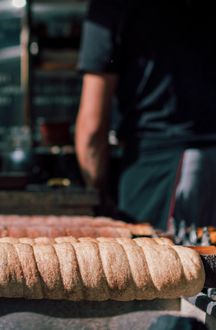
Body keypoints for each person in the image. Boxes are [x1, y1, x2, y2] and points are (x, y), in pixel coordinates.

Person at [75, 0, 216, 230]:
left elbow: (91, 127)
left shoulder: (110, 7)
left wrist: (98, 195)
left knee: (162, 263)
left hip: (161, 174)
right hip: (202, 163)